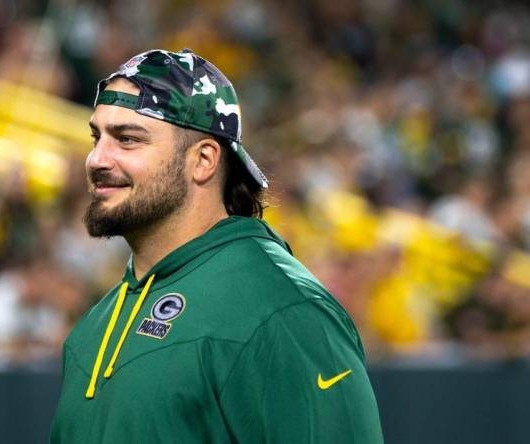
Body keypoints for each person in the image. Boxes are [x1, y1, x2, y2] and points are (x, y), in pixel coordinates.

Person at [50, 49, 383, 443]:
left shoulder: (281, 312)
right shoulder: (95, 327)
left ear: (204, 160)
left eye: (127, 139)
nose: (96, 159)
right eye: (97, 136)